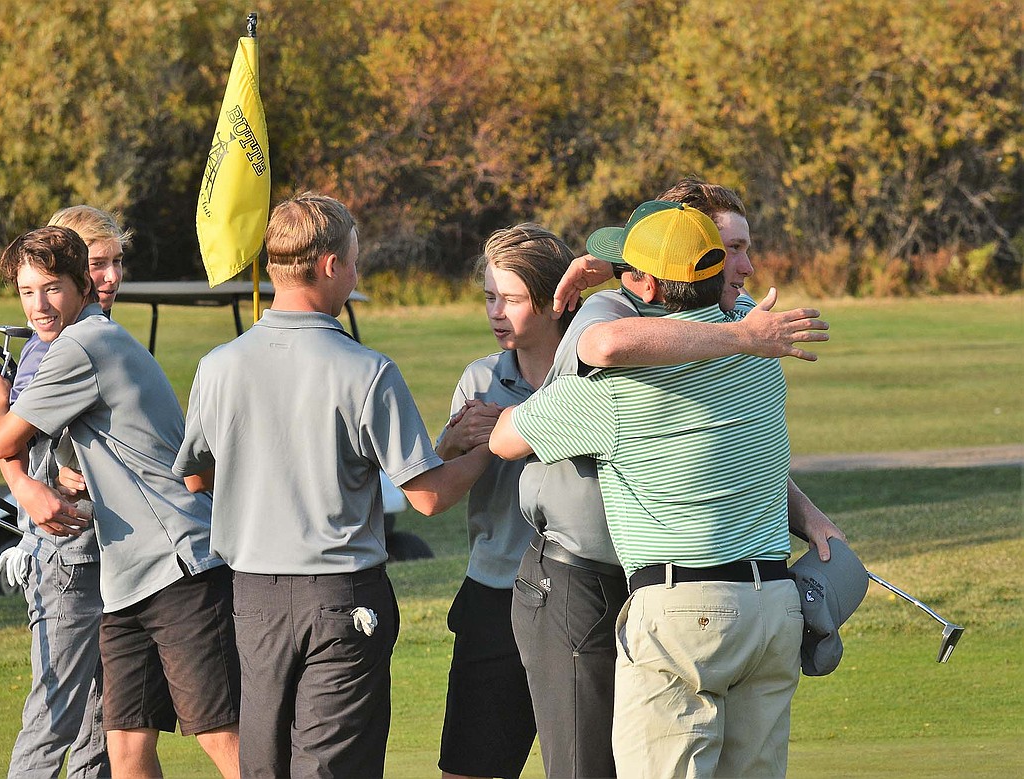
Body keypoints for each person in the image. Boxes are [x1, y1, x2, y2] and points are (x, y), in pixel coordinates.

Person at [508, 179, 844, 779]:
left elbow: (510, 434)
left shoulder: (617, 393)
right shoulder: (761, 348)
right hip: (772, 609)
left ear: (647, 286)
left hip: (682, 613)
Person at [172, 192, 490, 779]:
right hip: (342, 599)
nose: (355, 273)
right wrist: (492, 447)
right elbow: (428, 496)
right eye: (354, 260)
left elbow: (196, 475)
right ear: (328, 266)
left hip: (252, 599)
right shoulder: (366, 370)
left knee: (263, 767)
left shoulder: (218, 366)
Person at [0, 226, 240, 778]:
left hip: (176, 566)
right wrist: (32, 483)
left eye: (51, 288)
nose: (39, 306)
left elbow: (3, 440)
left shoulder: (85, 344)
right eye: (26, 292)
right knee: (124, 746)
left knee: (221, 734)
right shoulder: (84, 341)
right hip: (125, 579)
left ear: (79, 285)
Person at [0, 205, 130, 779]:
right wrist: (33, 480)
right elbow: (9, 437)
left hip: (111, 556)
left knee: (105, 724)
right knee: (54, 723)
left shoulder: (93, 337)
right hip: (67, 557)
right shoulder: (56, 348)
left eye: (117, 262)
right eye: (98, 264)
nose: (112, 278)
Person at [434, 224, 575, 779]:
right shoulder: (480, 378)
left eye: (511, 299)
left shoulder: (600, 375)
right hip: (494, 596)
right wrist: (449, 442)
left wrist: (526, 429)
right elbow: (437, 491)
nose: (496, 312)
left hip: (581, 595)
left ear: (555, 300)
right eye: (490, 297)